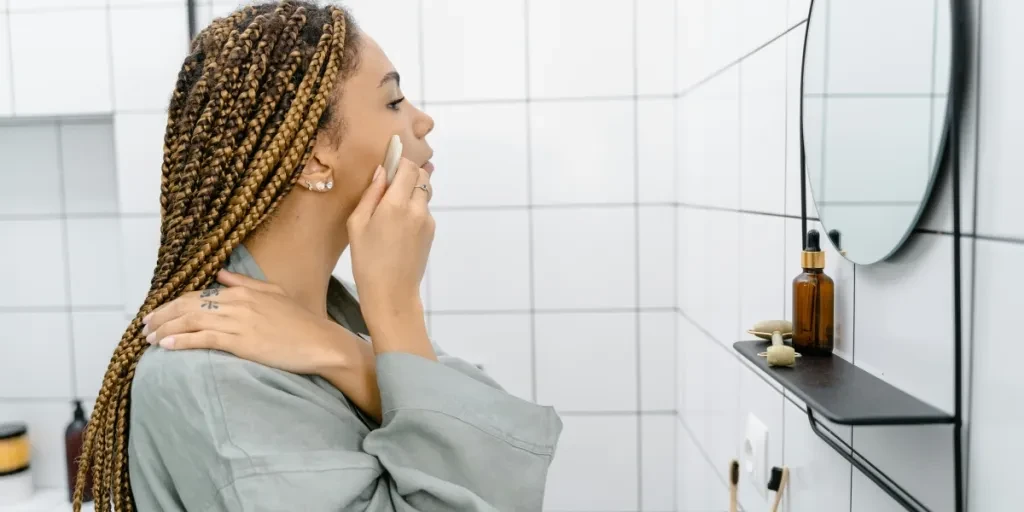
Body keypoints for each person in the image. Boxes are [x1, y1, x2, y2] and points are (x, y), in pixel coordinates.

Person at [73, 2, 562, 511]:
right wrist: (394, 306)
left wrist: (343, 353)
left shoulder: (336, 320)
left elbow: (494, 454)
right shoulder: (211, 376)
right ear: (313, 156)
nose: (423, 120)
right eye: (394, 102)